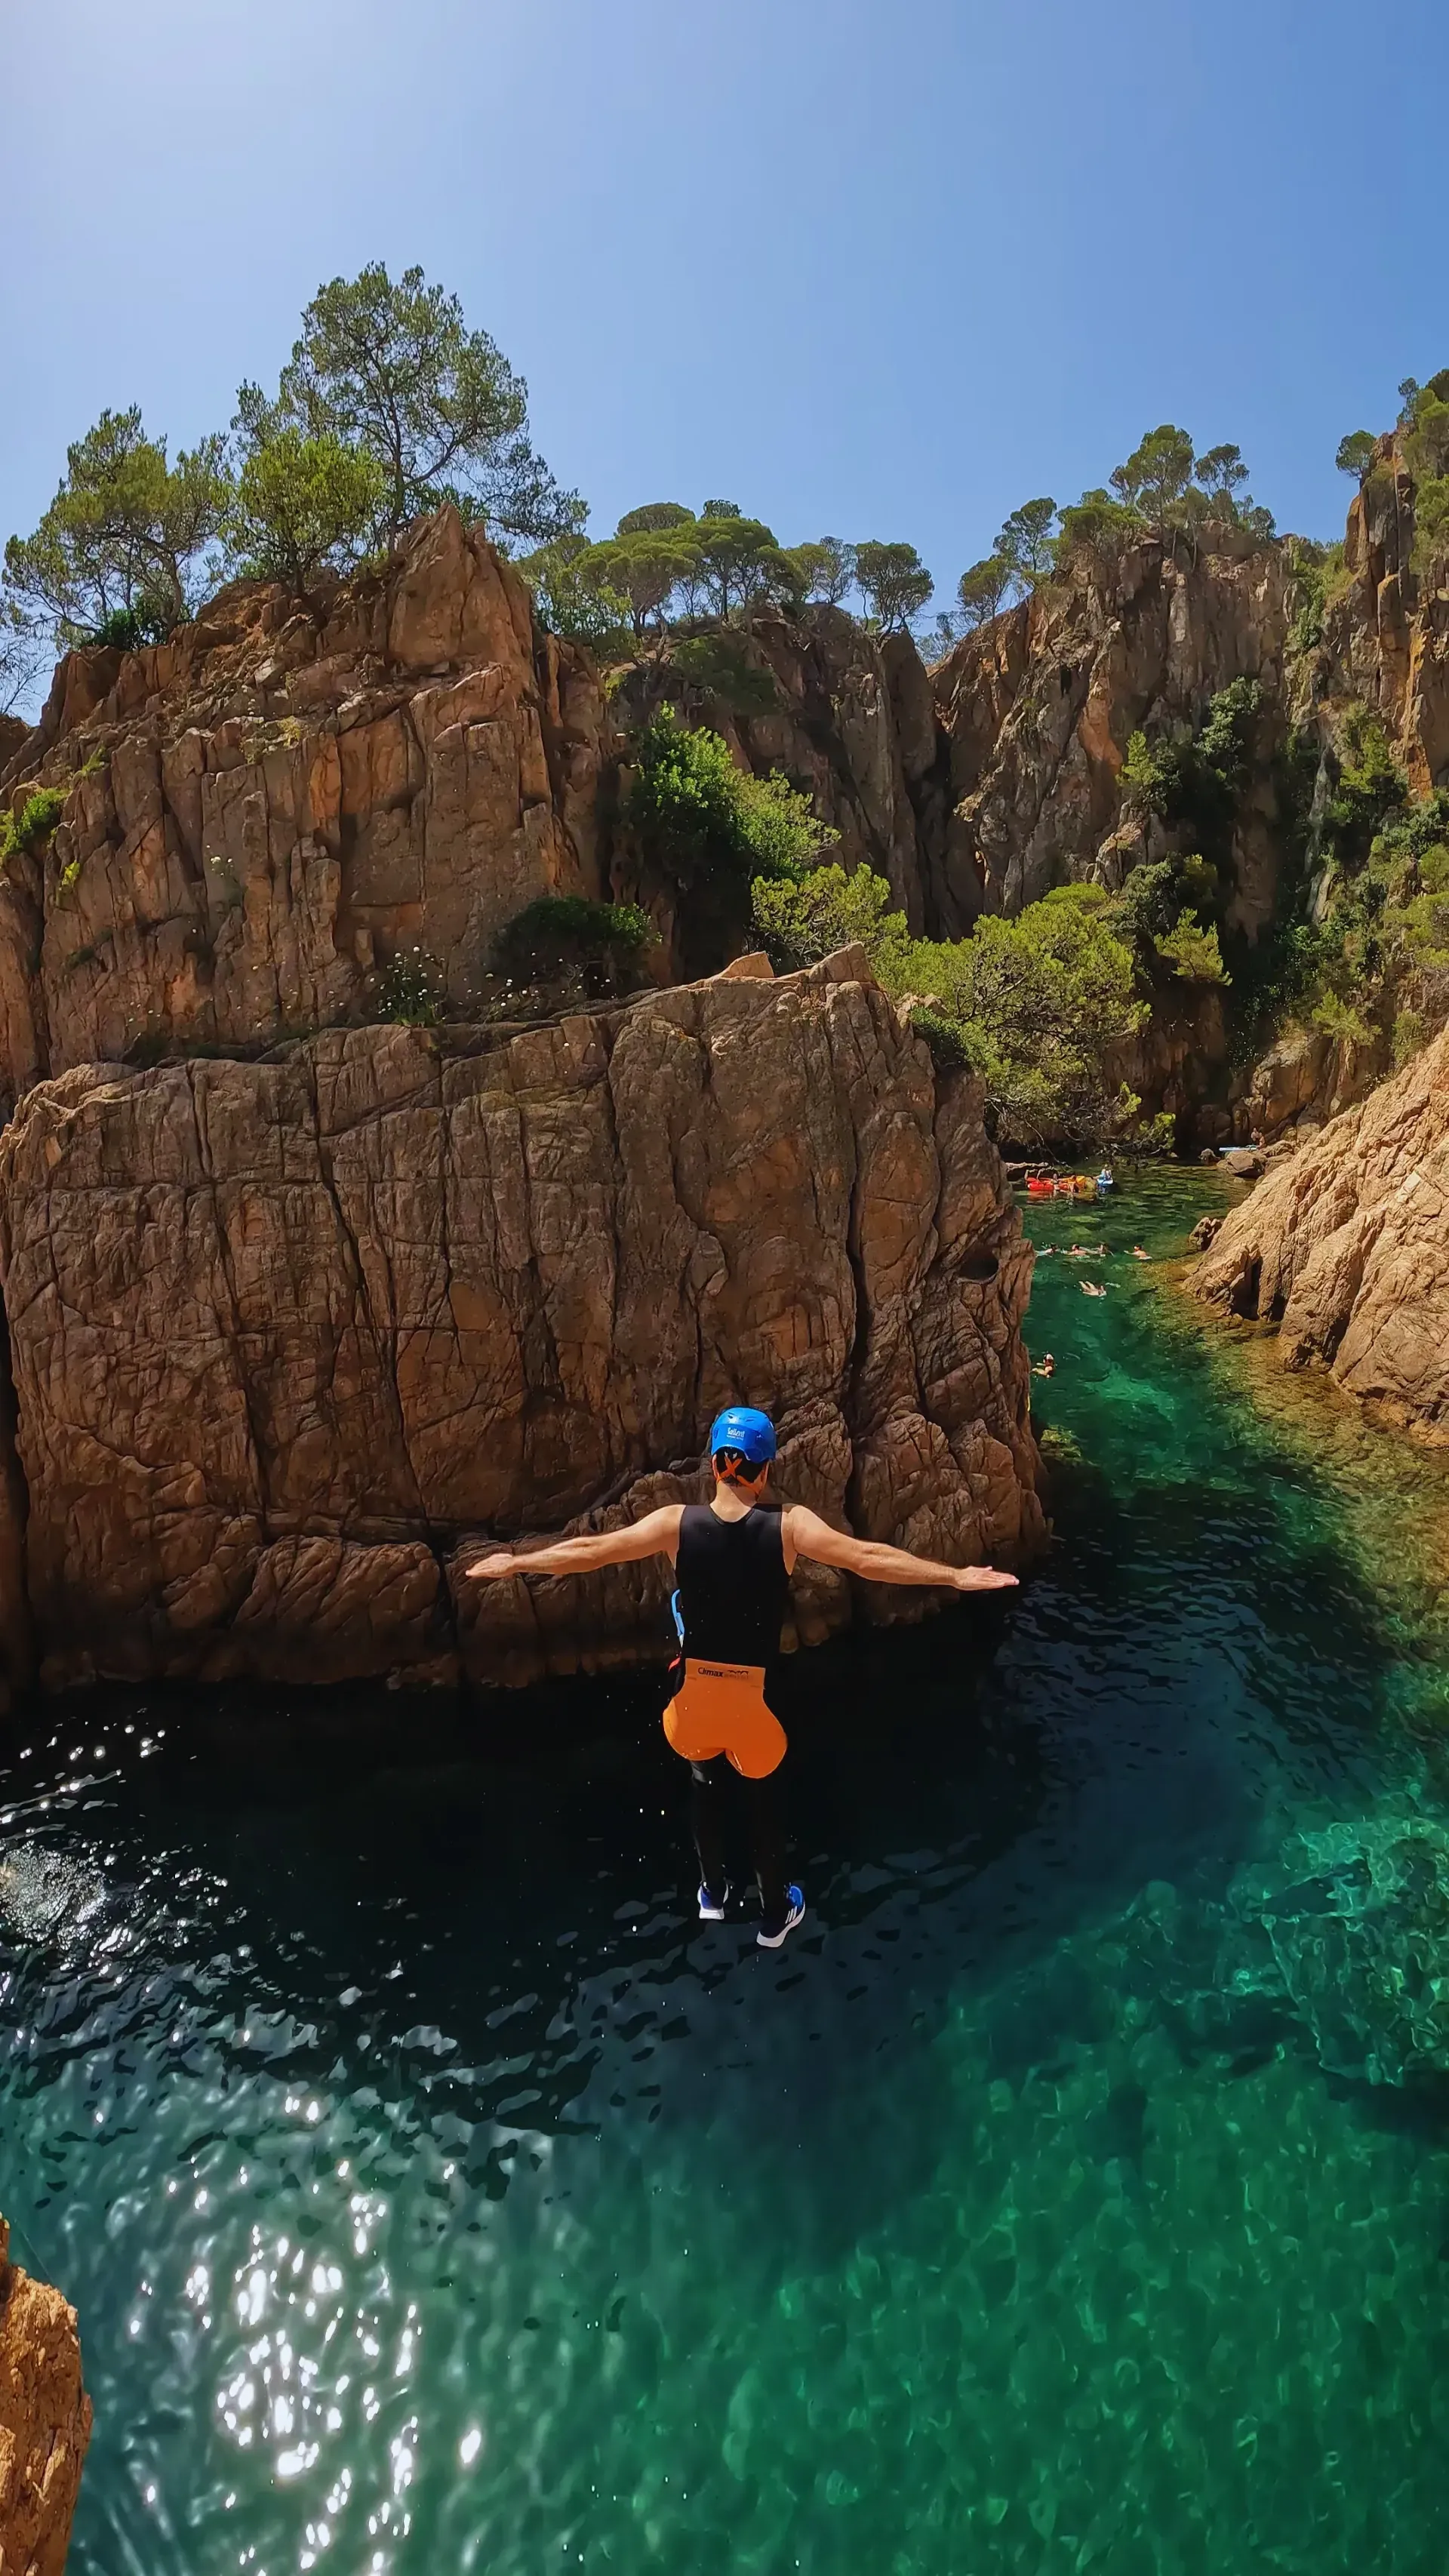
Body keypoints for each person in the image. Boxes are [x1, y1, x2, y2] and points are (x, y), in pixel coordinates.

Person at [467, 1406, 1018, 1950]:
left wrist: (515, 1562)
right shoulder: (790, 1527)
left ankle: (711, 1891)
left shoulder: (673, 1524)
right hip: (752, 1705)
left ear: (713, 1464)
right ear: (765, 1470)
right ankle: (775, 1914)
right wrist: (955, 1575)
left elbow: (591, 1552)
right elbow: (867, 1558)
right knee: (764, 1805)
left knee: (704, 1782)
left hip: (692, 1707)